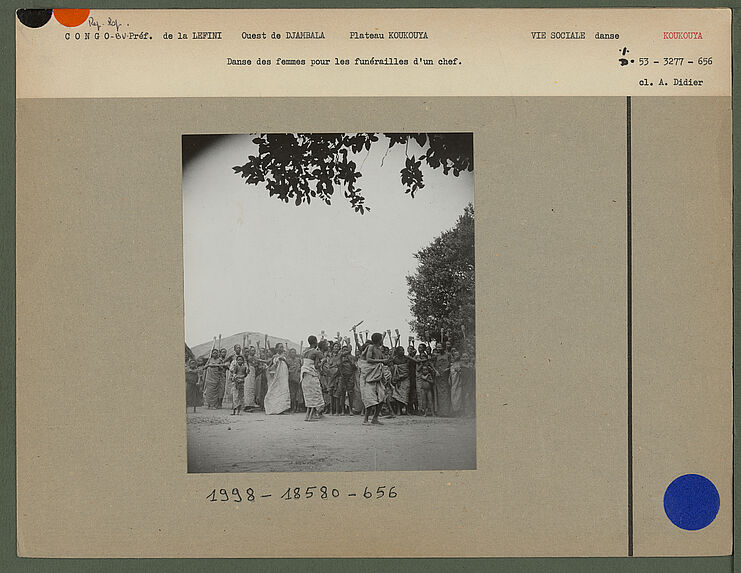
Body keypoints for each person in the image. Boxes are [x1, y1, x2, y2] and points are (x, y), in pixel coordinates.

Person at [359, 333, 389, 425]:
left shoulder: (379, 350)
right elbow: (368, 359)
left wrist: (386, 361)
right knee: (370, 399)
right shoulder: (371, 347)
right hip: (369, 377)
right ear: (379, 340)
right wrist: (382, 361)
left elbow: (382, 362)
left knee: (382, 397)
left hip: (377, 376)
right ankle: (365, 419)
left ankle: (375, 418)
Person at [301, 336, 325, 421]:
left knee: (308, 395)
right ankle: (310, 416)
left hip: (304, 375)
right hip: (311, 374)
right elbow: (320, 362)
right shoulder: (316, 352)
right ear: (315, 342)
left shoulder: (304, 351)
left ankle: (308, 415)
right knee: (314, 394)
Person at [264, 344, 291, 414]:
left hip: (284, 374)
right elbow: (269, 366)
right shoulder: (274, 356)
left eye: (282, 347)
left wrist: (283, 359)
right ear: (276, 349)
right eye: (280, 347)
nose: (282, 348)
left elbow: (288, 364)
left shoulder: (285, 356)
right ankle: (274, 408)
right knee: (275, 389)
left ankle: (283, 408)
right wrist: (275, 365)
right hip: (277, 375)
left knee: (284, 389)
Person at [334, 345, 356, 415]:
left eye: (346, 350)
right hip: (342, 376)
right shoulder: (340, 357)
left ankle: (350, 410)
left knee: (350, 394)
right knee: (342, 394)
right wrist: (341, 357)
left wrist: (350, 360)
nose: (345, 351)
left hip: (350, 377)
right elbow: (338, 364)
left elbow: (354, 367)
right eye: (344, 350)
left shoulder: (352, 357)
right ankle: (343, 410)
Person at [390, 347, 411, 415]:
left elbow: (408, 370)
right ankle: (399, 410)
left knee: (406, 394)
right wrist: (397, 378)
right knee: (398, 394)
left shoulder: (406, 358)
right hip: (397, 378)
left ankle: (407, 410)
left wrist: (402, 376)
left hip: (406, 378)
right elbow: (392, 368)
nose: (402, 352)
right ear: (397, 352)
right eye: (400, 351)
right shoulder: (395, 359)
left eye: (403, 350)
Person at [434, 345, 452, 416]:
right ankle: (440, 412)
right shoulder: (436, 356)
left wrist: (447, 369)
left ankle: (446, 412)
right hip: (439, 376)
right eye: (437, 347)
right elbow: (432, 365)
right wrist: (436, 371)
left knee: (446, 393)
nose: (438, 349)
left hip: (446, 376)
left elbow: (451, 364)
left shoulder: (448, 355)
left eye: (440, 347)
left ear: (443, 348)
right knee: (439, 393)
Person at [286, 348, 304, 413]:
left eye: (294, 352)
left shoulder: (298, 360)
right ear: (290, 353)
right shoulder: (288, 361)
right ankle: (292, 407)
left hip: (298, 378)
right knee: (292, 394)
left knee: (298, 394)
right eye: (292, 352)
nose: (293, 354)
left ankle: (297, 407)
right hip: (291, 379)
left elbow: (301, 367)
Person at [449, 349, 465, 416]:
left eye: (457, 355)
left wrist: (458, 372)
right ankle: (455, 410)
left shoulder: (461, 364)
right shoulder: (452, 364)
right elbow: (450, 373)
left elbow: (462, 373)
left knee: (458, 396)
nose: (456, 356)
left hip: (458, 381)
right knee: (453, 395)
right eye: (454, 355)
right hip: (453, 382)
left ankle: (459, 411)